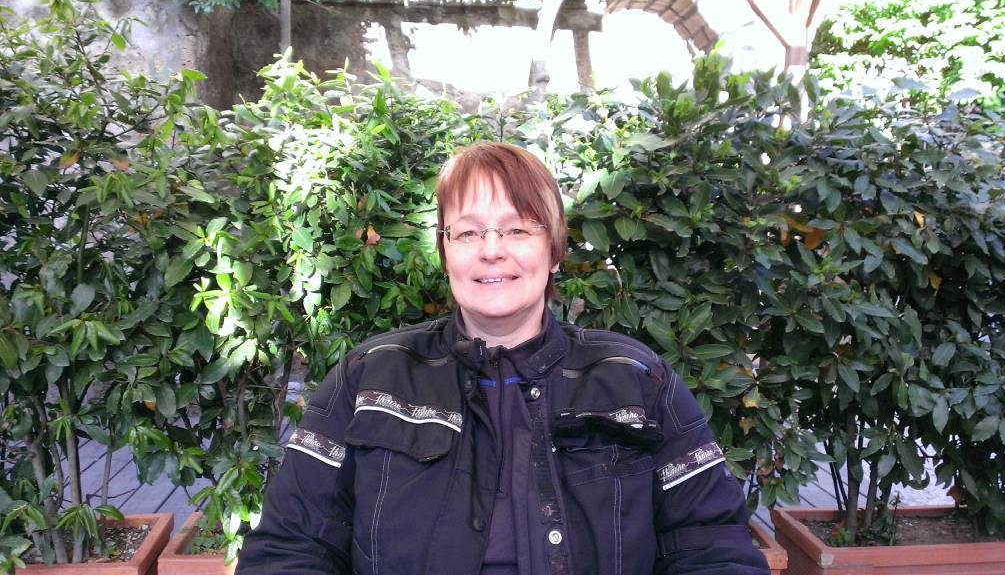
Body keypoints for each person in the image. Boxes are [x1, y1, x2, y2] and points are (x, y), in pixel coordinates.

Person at [236, 142, 769, 574]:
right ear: (445, 250)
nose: (492, 250)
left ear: (553, 249)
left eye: (517, 229)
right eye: (468, 231)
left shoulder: (636, 380)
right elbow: (291, 546)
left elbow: (713, 547)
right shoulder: (369, 378)